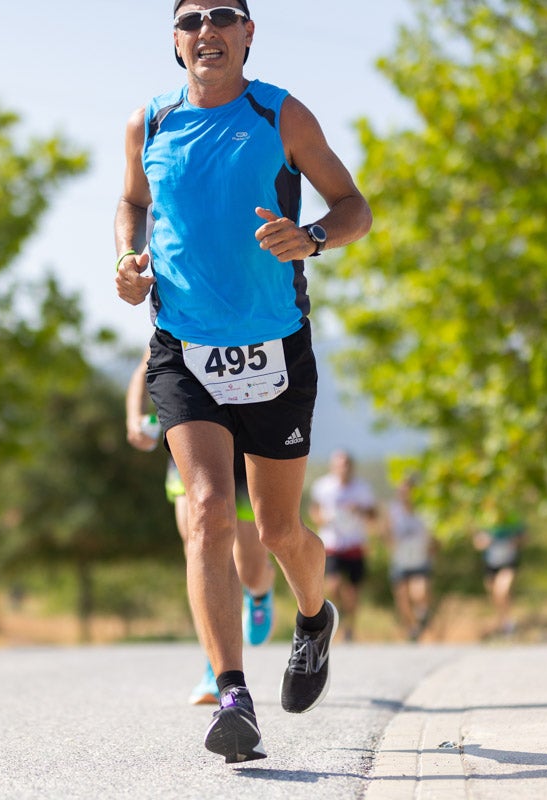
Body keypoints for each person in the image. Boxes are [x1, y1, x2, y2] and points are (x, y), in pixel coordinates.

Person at [114, 0, 373, 763]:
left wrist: (313, 236)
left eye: (224, 16)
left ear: (248, 34)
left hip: (275, 347)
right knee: (206, 511)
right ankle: (232, 694)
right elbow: (131, 201)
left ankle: (314, 617)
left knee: (280, 530)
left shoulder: (280, 114)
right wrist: (127, 258)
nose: (208, 30)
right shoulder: (149, 124)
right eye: (192, 19)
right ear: (175, 40)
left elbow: (354, 207)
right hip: (182, 349)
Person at [126, 348, 277, 705]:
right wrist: (134, 418)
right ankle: (216, 667)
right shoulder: (178, 320)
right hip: (190, 437)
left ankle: (260, 591)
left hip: (244, 441)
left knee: (249, 567)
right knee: (202, 549)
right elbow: (144, 368)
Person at [308, 450, 377, 642]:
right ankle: (336, 616)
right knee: (334, 585)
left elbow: (373, 514)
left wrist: (359, 509)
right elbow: (314, 511)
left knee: (353, 591)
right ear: (333, 466)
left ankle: (349, 627)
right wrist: (323, 519)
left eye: (346, 464)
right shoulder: (323, 486)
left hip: (355, 543)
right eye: (339, 464)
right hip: (332, 544)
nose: (343, 468)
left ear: (352, 467)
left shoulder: (362, 488)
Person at [382, 476, 436, 641]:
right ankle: (412, 629)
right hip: (400, 560)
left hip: (420, 559)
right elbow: (386, 535)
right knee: (403, 598)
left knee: (420, 592)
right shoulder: (393, 513)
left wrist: (432, 549)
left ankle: (422, 614)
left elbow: (433, 535)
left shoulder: (424, 511)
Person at [473, 514, 526, 638]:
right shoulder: (484, 519)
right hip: (490, 564)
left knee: (502, 591)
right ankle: (503, 621)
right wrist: (485, 541)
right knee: (495, 595)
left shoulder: (512, 518)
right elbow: (477, 544)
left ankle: (508, 621)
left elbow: (524, 538)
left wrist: (515, 540)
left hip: (508, 563)